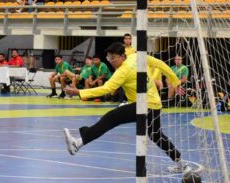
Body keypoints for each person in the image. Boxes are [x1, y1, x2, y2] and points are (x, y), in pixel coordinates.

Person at [63, 42, 190, 173]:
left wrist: (79, 92)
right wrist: (176, 82)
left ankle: (78, 142)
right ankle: (181, 163)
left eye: (113, 58)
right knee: (156, 136)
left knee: (111, 117)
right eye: (108, 58)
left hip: (144, 105)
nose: (111, 61)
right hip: (155, 104)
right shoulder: (135, 56)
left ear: (122, 56)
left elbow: (107, 88)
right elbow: (160, 63)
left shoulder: (123, 71)